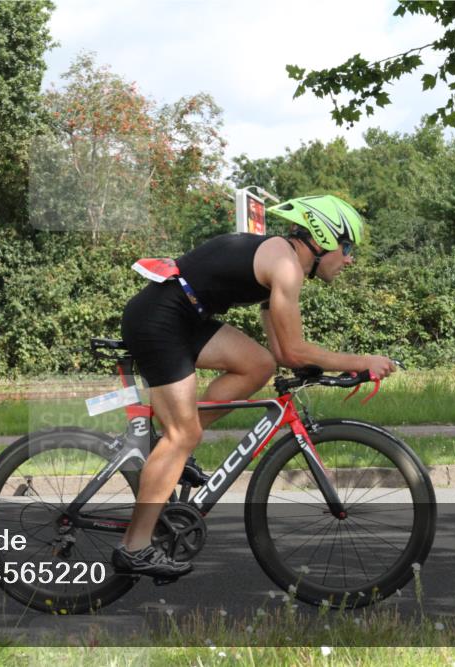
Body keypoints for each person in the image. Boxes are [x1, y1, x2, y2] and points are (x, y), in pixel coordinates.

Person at [111, 194, 397, 580]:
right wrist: (361, 361)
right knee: (183, 435)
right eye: (346, 248)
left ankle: (170, 451)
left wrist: (316, 368)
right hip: (161, 320)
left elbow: (279, 353)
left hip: (184, 316)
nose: (349, 259)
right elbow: (295, 350)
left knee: (257, 364)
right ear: (323, 238)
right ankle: (136, 546)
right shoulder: (285, 266)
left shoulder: (281, 261)